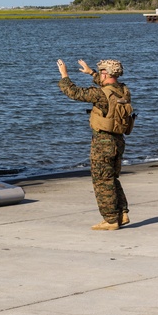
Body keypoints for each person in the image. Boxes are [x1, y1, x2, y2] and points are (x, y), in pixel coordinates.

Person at [57, 58, 133, 231]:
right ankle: (122, 212)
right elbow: (108, 87)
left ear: (106, 73)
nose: (100, 75)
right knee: (112, 178)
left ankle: (110, 219)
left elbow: (74, 92)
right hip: (118, 141)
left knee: (101, 180)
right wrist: (91, 72)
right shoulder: (123, 91)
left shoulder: (101, 95)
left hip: (103, 142)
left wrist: (64, 75)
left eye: (101, 72)